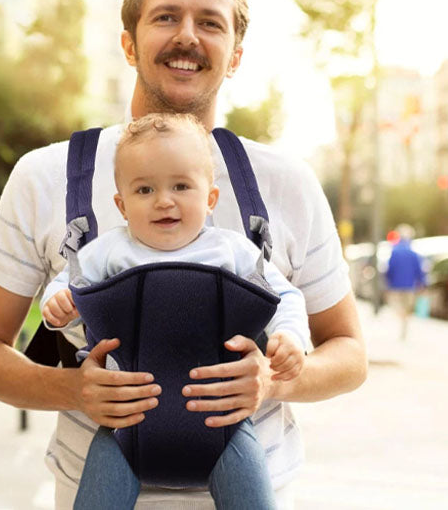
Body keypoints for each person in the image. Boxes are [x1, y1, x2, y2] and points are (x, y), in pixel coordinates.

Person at [0, 0, 367, 508]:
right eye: (166, 16)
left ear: (236, 55)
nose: (187, 36)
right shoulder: (45, 177)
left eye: (211, 23)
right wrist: (73, 389)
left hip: (254, 478)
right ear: (128, 44)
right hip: (97, 476)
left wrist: (274, 379)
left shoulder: (286, 182)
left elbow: (349, 354)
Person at [41, 113, 309, 509]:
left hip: (226, 426)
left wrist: (290, 338)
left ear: (210, 198)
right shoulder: (106, 251)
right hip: (123, 426)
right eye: (145, 189)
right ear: (122, 205)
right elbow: (66, 285)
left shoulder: (232, 250)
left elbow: (285, 297)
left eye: (181, 186)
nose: (164, 200)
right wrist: (56, 306)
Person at [386, 224, 426, 340]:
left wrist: (388, 282)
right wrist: (422, 284)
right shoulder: (413, 253)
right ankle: (404, 323)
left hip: (395, 285)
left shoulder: (395, 252)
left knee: (397, 307)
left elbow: (390, 269)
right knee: (407, 308)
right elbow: (419, 270)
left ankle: (402, 321)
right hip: (410, 285)